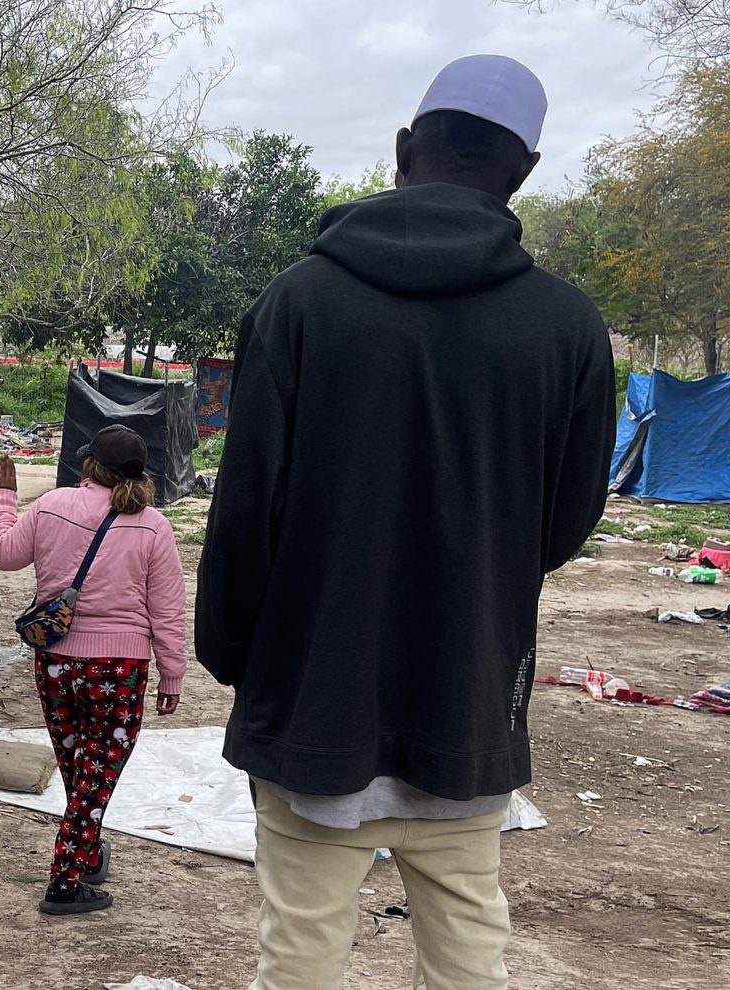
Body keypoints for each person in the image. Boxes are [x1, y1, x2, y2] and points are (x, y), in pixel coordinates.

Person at [194, 55, 615, 989]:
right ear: (525, 171)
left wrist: (246, 667)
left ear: (400, 151)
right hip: (463, 709)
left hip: (312, 712)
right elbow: (563, 526)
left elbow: (243, 520)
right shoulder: (567, 326)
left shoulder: (299, 301)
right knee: (469, 956)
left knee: (298, 955)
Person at [0, 426, 185, 916]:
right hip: (119, 668)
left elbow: (3, 554)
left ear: (89, 463)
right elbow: (168, 609)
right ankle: (66, 882)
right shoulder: (153, 525)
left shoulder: (51, 505)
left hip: (56, 662)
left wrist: (4, 498)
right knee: (95, 773)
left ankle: (88, 853)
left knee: (81, 766)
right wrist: (172, 672)